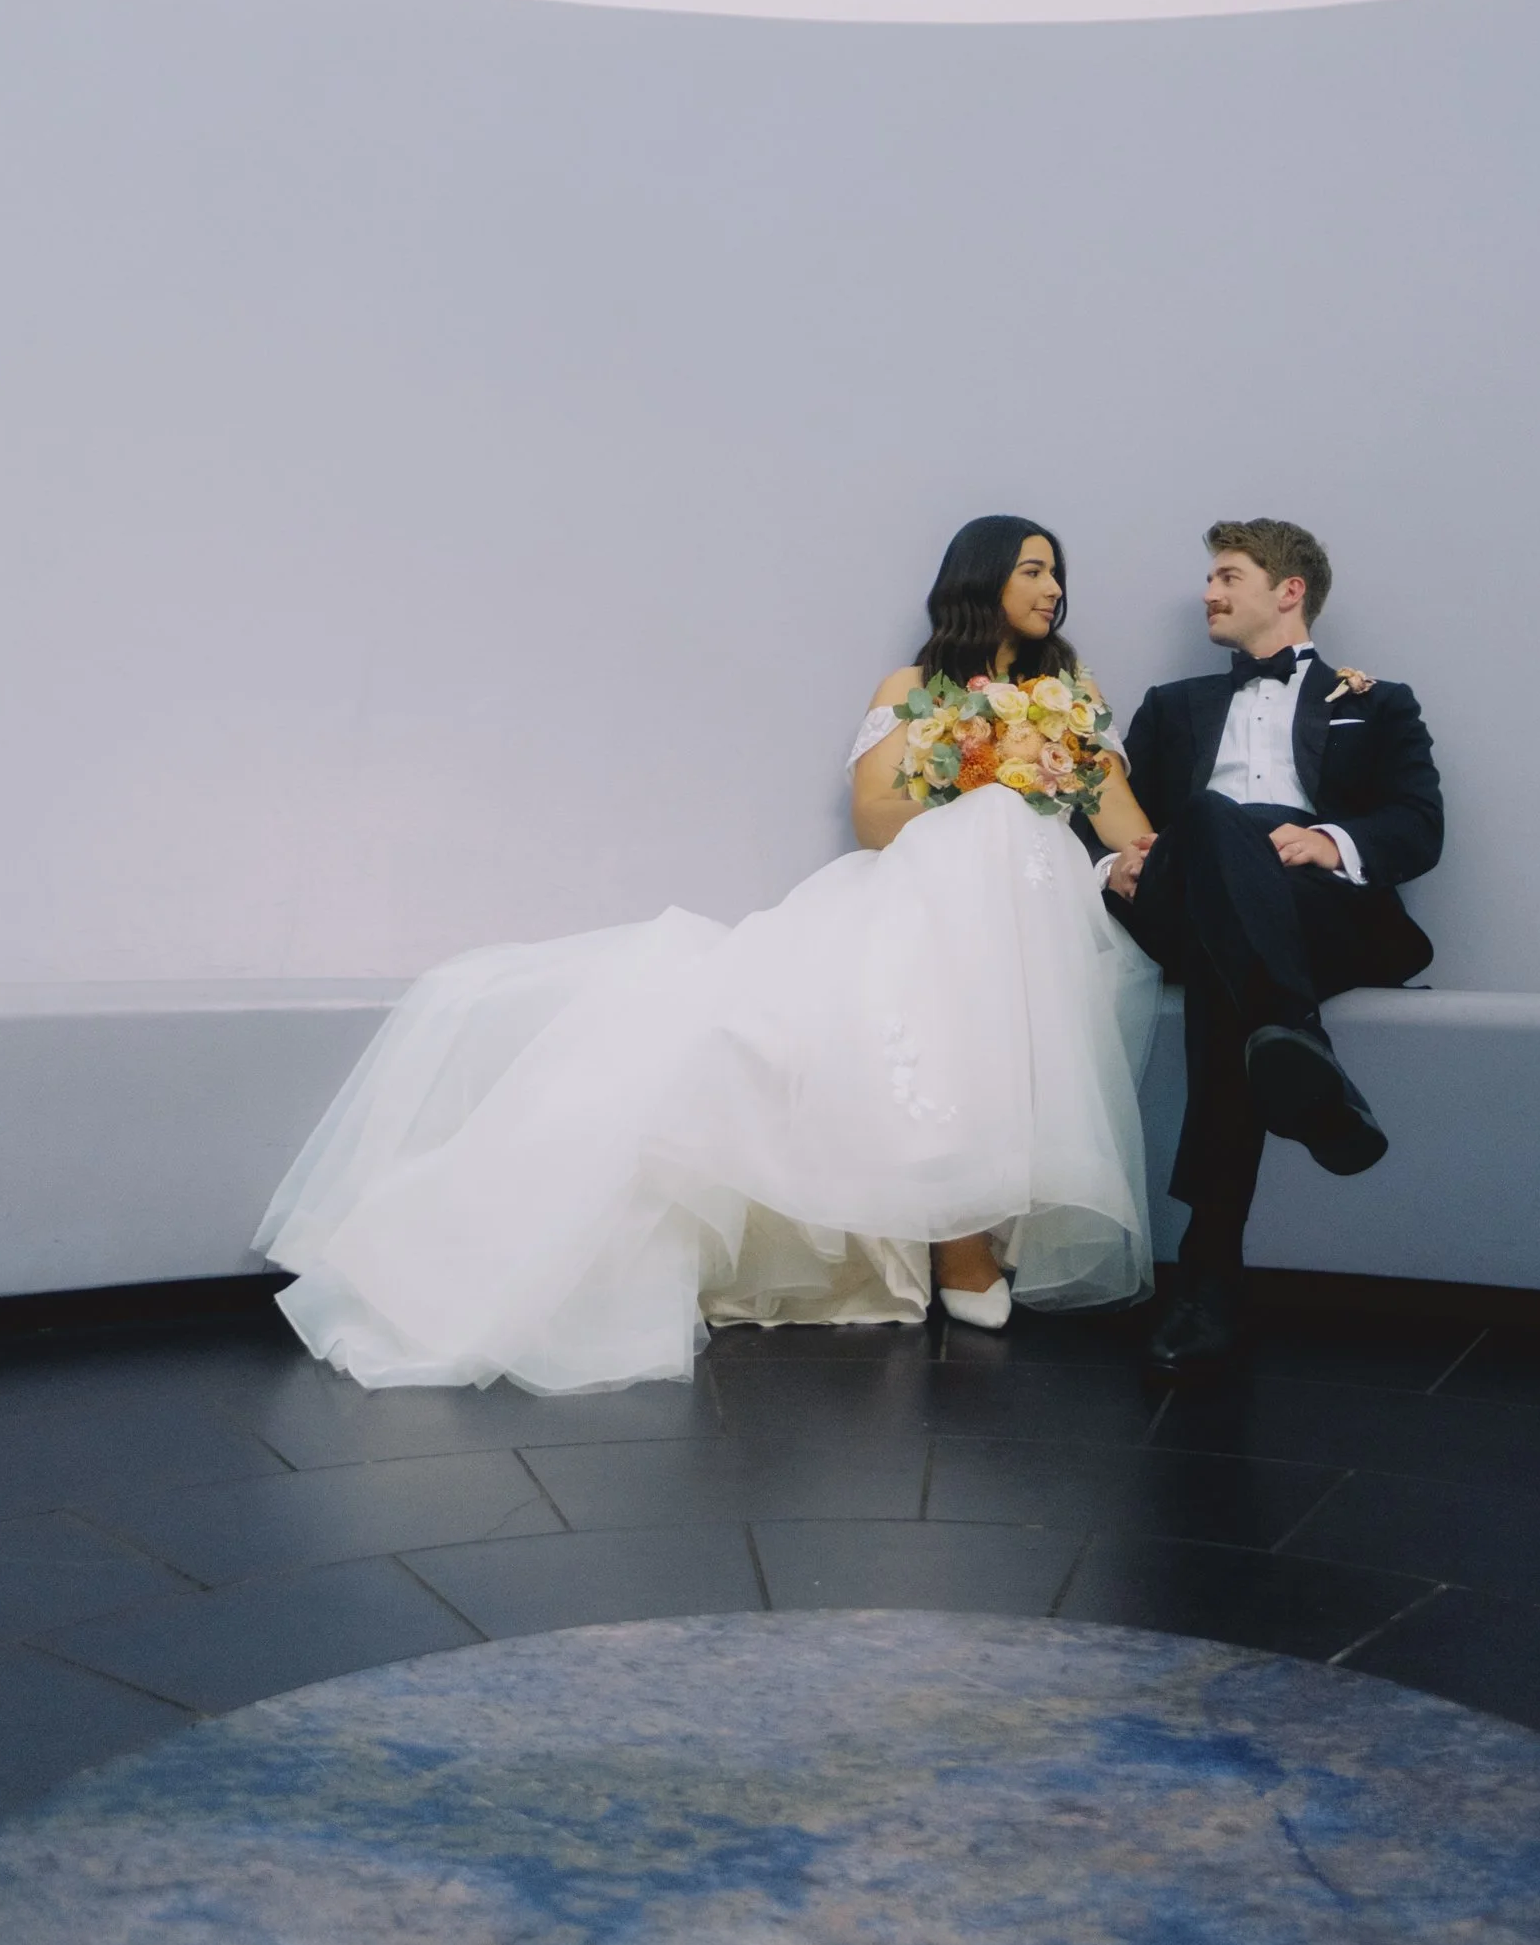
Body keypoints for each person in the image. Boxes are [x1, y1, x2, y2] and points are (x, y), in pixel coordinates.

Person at [254, 516, 1163, 1392]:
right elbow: (876, 818)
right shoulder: (912, 688)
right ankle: (954, 1234)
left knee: (1015, 877)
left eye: (1057, 573)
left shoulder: (1070, 696)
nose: (1053, 588)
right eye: (1033, 569)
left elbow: (1126, 828)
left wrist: (1127, 848)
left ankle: (977, 1224)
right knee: (968, 872)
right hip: (930, 901)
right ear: (983, 579)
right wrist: (986, 767)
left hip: (1033, 916)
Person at [1105, 519, 1442, 1373]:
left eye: (1226, 576)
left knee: (1233, 980)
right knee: (1220, 821)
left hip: (1319, 914)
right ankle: (1295, 1039)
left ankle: (1211, 1278)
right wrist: (1115, 863)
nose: (1208, 594)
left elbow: (1419, 825)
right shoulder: (1170, 706)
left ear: (1288, 591)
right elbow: (1111, 819)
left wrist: (1328, 840)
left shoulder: (1380, 702)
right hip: (1193, 899)